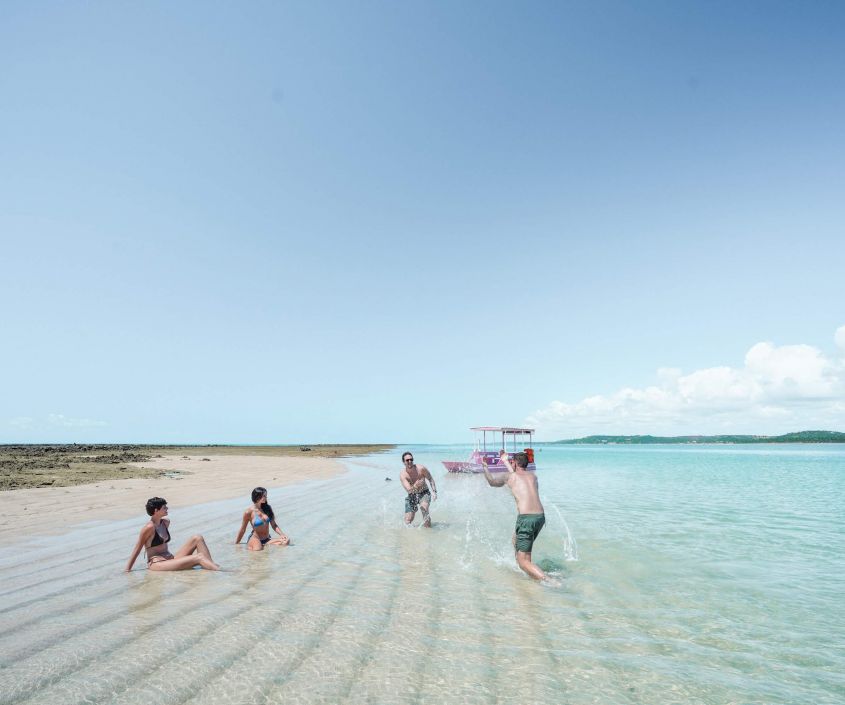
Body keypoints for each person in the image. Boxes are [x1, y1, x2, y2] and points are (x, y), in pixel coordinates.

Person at [483, 450, 548, 581]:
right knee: (515, 540)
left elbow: (492, 482)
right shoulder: (533, 477)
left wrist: (485, 466)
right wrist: (506, 460)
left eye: (512, 462)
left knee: (523, 561)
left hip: (527, 519)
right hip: (540, 518)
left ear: (515, 463)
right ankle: (527, 570)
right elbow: (516, 477)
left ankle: (550, 581)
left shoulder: (509, 477)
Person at [125, 497, 220, 572]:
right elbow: (137, 549)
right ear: (156, 511)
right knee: (199, 557)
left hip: (171, 558)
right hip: (158, 563)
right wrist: (127, 569)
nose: (167, 508)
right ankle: (222, 571)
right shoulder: (149, 528)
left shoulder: (165, 522)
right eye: (164, 507)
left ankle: (211, 567)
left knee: (197, 538)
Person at [400, 451, 437, 527]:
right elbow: (409, 490)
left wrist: (434, 492)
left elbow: (430, 479)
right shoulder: (403, 475)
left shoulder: (421, 469)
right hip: (412, 495)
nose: (410, 461)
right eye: (407, 460)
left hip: (424, 493)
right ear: (403, 462)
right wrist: (415, 486)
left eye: (411, 459)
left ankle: (428, 533)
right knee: (408, 520)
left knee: (424, 509)